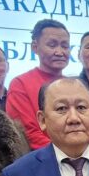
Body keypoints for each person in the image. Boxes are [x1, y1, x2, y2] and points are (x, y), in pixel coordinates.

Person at [7, 19, 71, 149]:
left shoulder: (74, 86)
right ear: (35, 47)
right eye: (52, 45)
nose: (60, 52)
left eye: (65, 46)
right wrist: (67, 153)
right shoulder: (20, 84)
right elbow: (28, 133)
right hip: (41, 157)